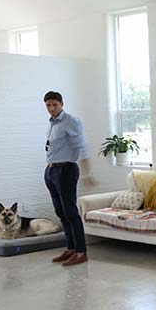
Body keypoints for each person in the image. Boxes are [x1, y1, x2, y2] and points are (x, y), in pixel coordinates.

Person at [43, 91, 95, 266]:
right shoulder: (52, 123)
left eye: (54, 105)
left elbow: (82, 146)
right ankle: (71, 248)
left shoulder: (71, 122)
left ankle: (81, 252)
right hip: (51, 170)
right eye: (48, 105)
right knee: (61, 212)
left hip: (66, 170)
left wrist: (88, 173)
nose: (51, 108)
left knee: (71, 212)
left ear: (62, 104)